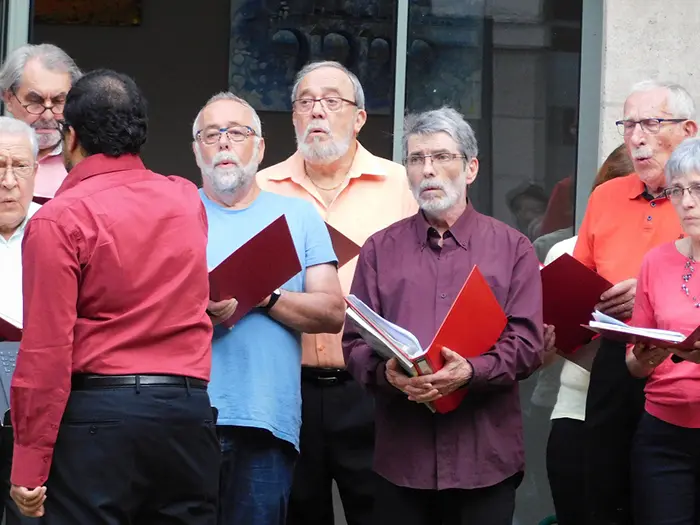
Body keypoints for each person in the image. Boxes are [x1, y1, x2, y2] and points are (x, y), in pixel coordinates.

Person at [9, 69, 220, 524]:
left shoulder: (59, 219)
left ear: (71, 137)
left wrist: (29, 461)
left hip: (99, 417)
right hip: (186, 412)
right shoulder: (186, 198)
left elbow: (46, 351)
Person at [343, 106, 544, 525]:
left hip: (484, 459)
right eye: (416, 159)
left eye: (441, 157)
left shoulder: (513, 249)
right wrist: (388, 376)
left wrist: (470, 371)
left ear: (471, 169)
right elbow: (355, 343)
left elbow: (527, 345)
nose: (427, 170)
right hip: (403, 460)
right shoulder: (380, 249)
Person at [257, 60, 416, 525]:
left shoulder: (401, 184)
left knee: (381, 511)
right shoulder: (263, 187)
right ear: (292, 118)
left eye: (331, 101)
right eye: (305, 102)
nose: (317, 112)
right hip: (287, 386)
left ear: (360, 117)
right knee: (297, 513)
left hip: (373, 385)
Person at [193, 91, 345, 525]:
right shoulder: (174, 211)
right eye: (210, 134)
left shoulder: (298, 216)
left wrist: (264, 296)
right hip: (185, 418)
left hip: (266, 422)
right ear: (195, 150)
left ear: (259, 147)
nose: (223, 142)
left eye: (237, 133)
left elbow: (332, 311)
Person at [572, 79, 698, 525]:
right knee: (606, 492)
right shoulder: (606, 195)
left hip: (685, 366)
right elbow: (578, 280)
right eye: (628, 124)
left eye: (650, 123)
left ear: (688, 130)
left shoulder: (694, 204)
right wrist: (599, 300)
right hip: (618, 357)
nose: (636, 137)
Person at [543, 143, 634, 525]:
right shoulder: (565, 252)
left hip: (648, 413)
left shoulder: (676, 255)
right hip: (576, 412)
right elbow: (543, 352)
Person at [625, 137, 700, 525]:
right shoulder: (656, 261)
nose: (686, 201)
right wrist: (643, 357)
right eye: (677, 190)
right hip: (663, 433)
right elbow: (634, 366)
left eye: (698, 188)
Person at [0, 117, 41, 525]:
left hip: (39, 409)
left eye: (19, 167)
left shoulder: (60, 225)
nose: (8, 180)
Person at [0, 43, 81, 201]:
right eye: (36, 101)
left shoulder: (86, 160)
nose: (48, 116)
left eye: (58, 101)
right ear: (8, 98)